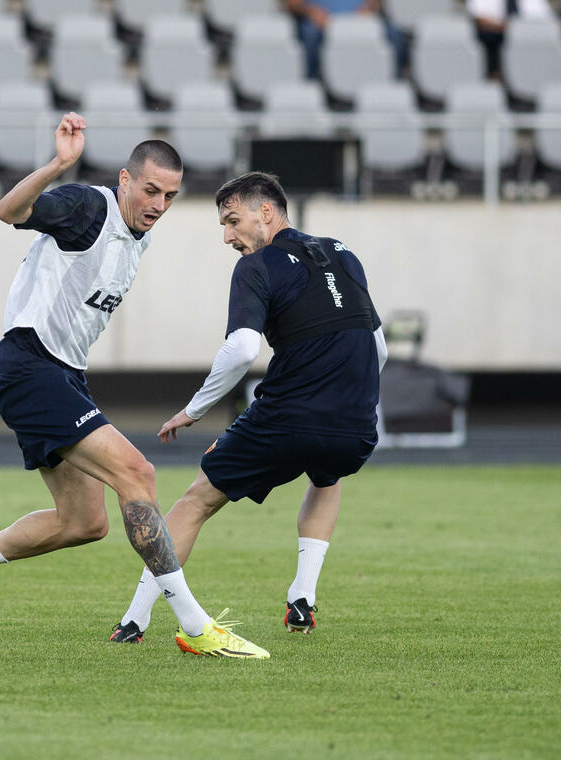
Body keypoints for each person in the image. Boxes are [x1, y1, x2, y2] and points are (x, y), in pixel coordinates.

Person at [0, 112, 268, 659]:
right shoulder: (88, 206)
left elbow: (55, 291)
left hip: (48, 371)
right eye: (150, 189)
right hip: (37, 371)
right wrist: (60, 165)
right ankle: (195, 624)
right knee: (138, 473)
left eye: (171, 196)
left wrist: (17, 343)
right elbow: (8, 211)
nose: (158, 204)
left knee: (84, 523)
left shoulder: (137, 239)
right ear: (126, 180)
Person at [106, 172, 387, 644]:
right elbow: (377, 346)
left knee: (198, 498)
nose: (227, 236)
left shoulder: (257, 267)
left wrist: (193, 410)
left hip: (289, 417)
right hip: (357, 425)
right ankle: (302, 596)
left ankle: (135, 618)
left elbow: (240, 350)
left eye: (233, 221)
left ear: (267, 212)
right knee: (328, 474)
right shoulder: (343, 252)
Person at [283, 0, 408, 80]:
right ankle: (310, 83)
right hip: (319, 20)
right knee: (310, 33)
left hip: (360, 17)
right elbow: (292, 3)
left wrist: (368, 8)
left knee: (393, 34)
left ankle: (393, 82)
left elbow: (375, 2)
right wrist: (311, 12)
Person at [465, 0, 556, 78]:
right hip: (497, 38)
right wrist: (510, 27)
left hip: (527, 41)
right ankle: (494, 76)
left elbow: (545, 22)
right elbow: (478, 18)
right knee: (488, 38)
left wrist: (519, 29)